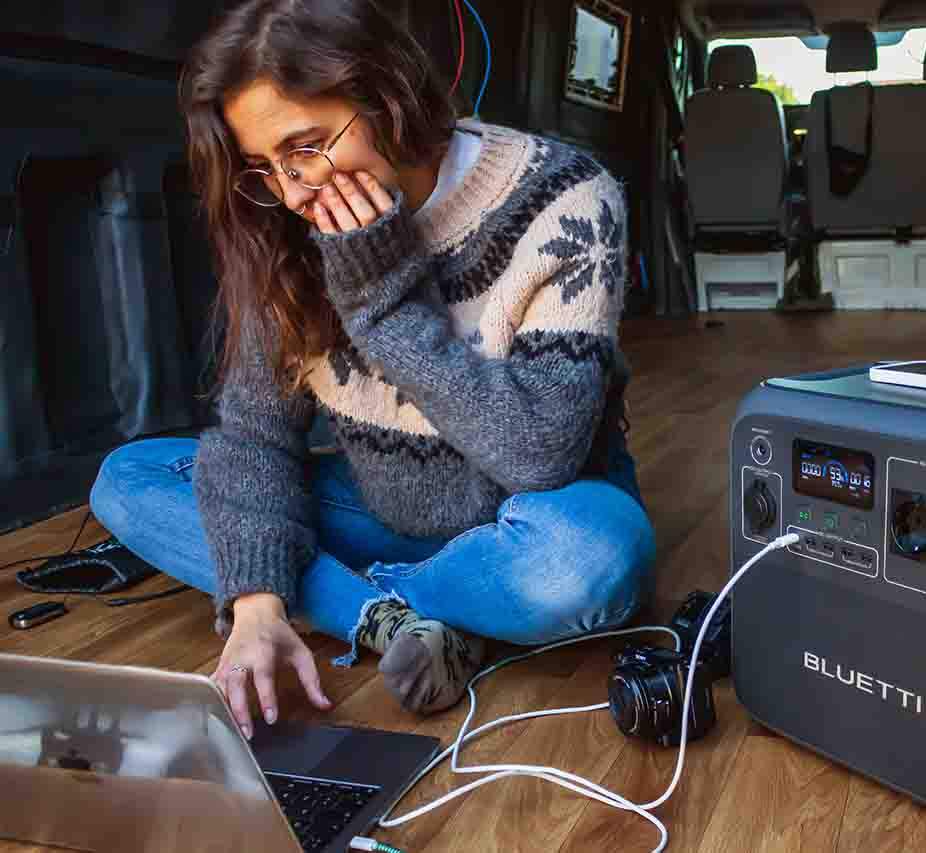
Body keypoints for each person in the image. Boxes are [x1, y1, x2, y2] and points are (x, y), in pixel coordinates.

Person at [87, 0, 655, 741]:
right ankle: (401, 621)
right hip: (386, 508)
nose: (292, 193)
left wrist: (383, 299)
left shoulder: (568, 197)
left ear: (386, 97)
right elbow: (257, 439)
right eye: (264, 168)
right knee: (128, 479)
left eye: (308, 148)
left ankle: (368, 602)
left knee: (591, 562)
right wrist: (256, 603)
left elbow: (537, 454)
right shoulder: (282, 225)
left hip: (534, 515)